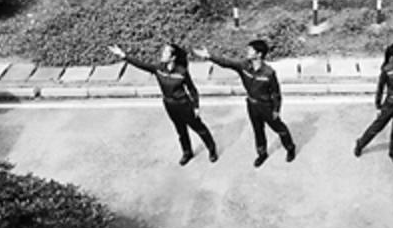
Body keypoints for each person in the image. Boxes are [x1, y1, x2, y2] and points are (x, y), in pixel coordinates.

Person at [108, 43, 217, 166]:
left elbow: (192, 90)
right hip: (169, 105)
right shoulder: (159, 68)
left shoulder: (182, 72)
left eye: (166, 53)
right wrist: (123, 55)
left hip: (184, 105)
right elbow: (141, 65)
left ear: (173, 57)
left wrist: (196, 106)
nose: (162, 54)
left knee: (199, 128)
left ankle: (212, 149)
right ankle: (187, 152)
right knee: (181, 131)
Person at [193, 40, 295, 168]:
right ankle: (262, 153)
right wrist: (209, 56)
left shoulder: (269, 73)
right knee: (258, 130)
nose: (247, 52)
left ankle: (290, 148)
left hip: (266, 106)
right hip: (252, 105)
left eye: (251, 50)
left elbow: (276, 93)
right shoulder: (244, 66)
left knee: (280, 129)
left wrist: (276, 110)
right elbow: (227, 62)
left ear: (259, 54)